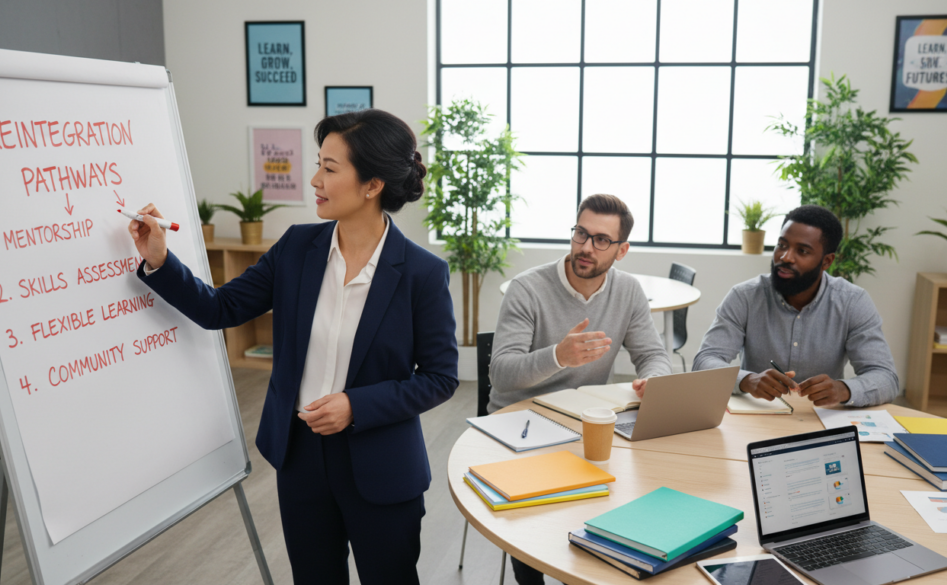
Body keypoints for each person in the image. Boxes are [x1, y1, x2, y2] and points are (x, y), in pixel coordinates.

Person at [128, 110, 457, 584]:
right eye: (318, 164)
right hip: (300, 458)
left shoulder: (423, 273)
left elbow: (441, 377)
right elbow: (220, 309)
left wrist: (354, 405)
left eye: (330, 168)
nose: (314, 179)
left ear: (372, 185)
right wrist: (159, 259)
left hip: (381, 466)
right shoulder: (297, 247)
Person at [488, 193, 671, 585]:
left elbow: (654, 355)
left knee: (638, 489)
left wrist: (653, 378)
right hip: (520, 423)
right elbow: (501, 375)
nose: (586, 247)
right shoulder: (527, 288)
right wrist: (558, 356)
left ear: (622, 251)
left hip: (581, 423)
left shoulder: (629, 292)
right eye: (581, 234)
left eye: (601, 240)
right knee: (532, 520)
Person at [694, 204, 898, 407]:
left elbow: (886, 377)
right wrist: (747, 380)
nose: (785, 257)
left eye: (802, 251)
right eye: (782, 245)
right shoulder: (745, 296)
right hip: (758, 413)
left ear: (826, 261)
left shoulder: (852, 302)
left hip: (821, 419)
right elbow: (706, 360)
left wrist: (843, 390)